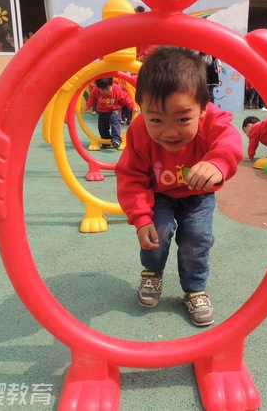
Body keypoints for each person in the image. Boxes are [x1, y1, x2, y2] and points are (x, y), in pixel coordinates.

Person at [114, 46, 243, 327]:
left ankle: (195, 289)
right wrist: (139, 216)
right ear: (141, 110)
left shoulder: (212, 121)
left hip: (198, 195)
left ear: (202, 109)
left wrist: (218, 162)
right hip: (158, 193)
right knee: (155, 232)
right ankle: (152, 272)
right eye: (156, 120)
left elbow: (230, 141)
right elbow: (131, 176)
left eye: (183, 119)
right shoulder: (138, 133)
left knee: (197, 238)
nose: (169, 131)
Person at [84, 77, 138, 148]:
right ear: (98, 87)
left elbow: (125, 98)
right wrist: (87, 106)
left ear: (111, 84)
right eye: (102, 89)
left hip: (114, 110)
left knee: (115, 123)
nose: (105, 91)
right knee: (102, 127)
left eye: (107, 88)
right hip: (102, 111)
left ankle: (116, 140)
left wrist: (132, 107)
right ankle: (106, 141)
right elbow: (92, 98)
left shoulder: (116, 89)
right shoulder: (96, 90)